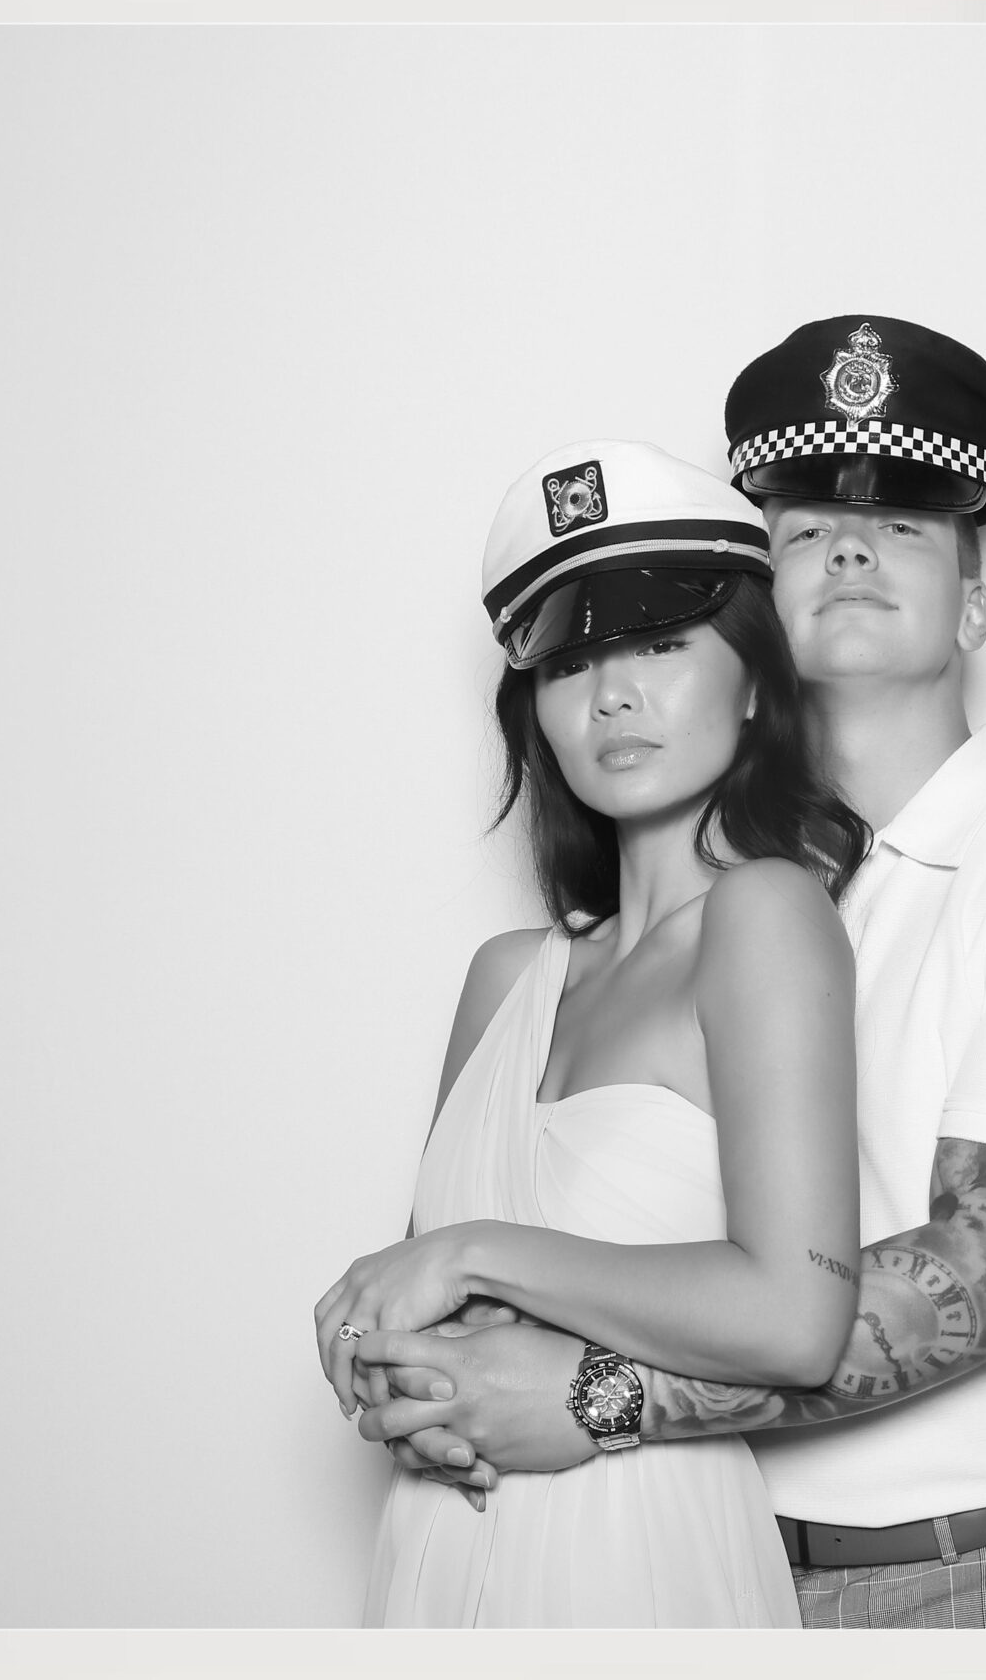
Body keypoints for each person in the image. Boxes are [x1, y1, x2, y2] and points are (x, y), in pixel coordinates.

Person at [353, 319, 986, 1629]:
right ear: (752, 606)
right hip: (706, 1561)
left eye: (908, 524)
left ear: (978, 602)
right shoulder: (687, 902)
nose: (852, 547)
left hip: (980, 1571)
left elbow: (980, 1283)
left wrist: (598, 1398)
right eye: (804, 527)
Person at [313, 439, 872, 1627]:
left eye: (662, 644)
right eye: (570, 661)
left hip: (639, 1562)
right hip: (437, 1556)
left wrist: (471, 1250)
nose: (612, 694)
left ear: (757, 680)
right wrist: (373, 1362)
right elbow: (420, 1322)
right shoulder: (506, 979)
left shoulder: (766, 916)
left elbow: (795, 1316)